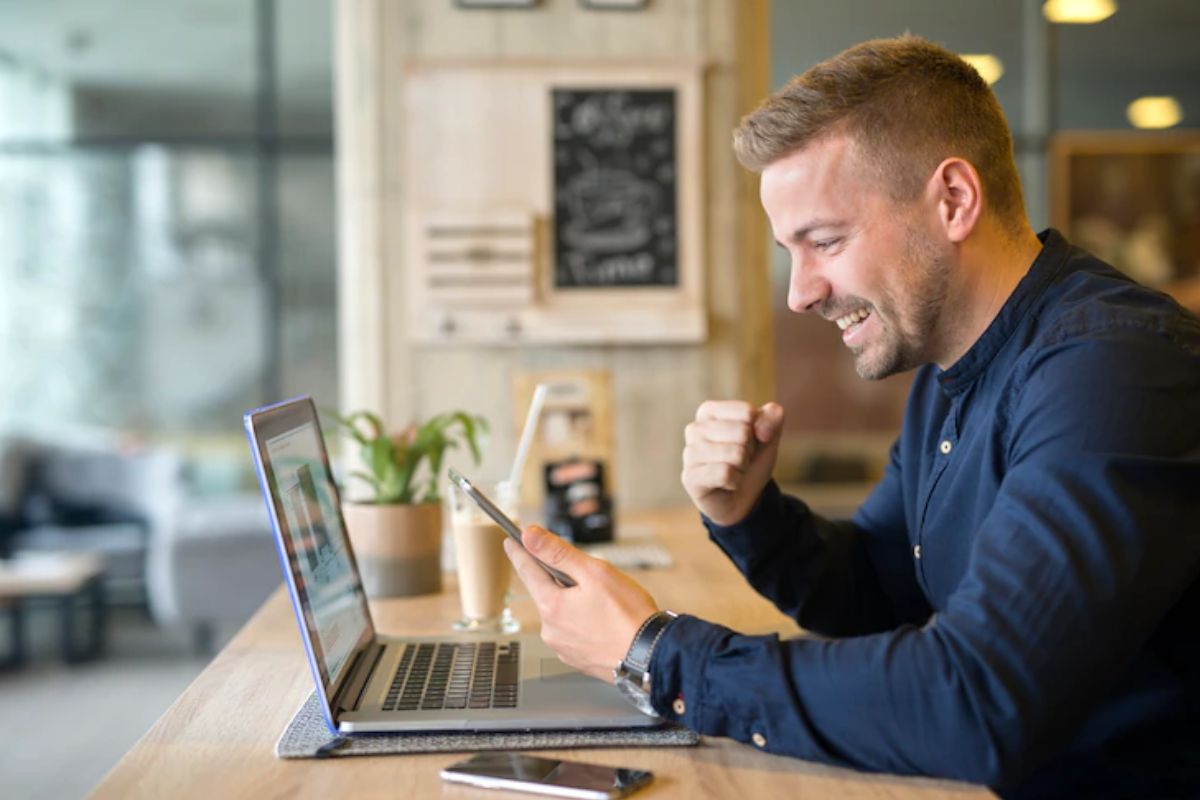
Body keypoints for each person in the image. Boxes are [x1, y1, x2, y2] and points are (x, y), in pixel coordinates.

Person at [503, 35, 1200, 799]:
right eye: (790, 251)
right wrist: (749, 516)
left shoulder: (1114, 368)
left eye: (825, 242)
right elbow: (878, 590)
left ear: (954, 200)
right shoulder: (950, 367)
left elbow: (976, 700)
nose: (800, 292)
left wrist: (658, 655)